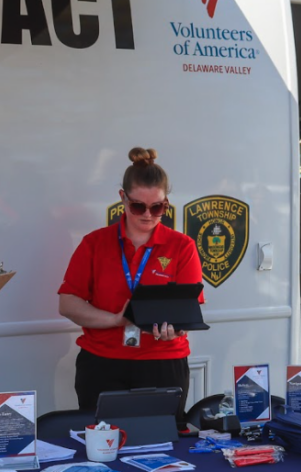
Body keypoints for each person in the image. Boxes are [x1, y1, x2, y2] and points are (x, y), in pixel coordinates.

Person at [58, 147, 204, 427]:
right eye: (138, 206)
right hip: (102, 362)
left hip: (162, 361)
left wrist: (176, 327)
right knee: (103, 446)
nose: (148, 215)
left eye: (158, 207)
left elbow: (189, 307)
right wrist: (116, 319)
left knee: (162, 447)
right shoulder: (95, 243)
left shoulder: (181, 245)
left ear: (166, 203)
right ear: (122, 198)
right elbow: (68, 303)